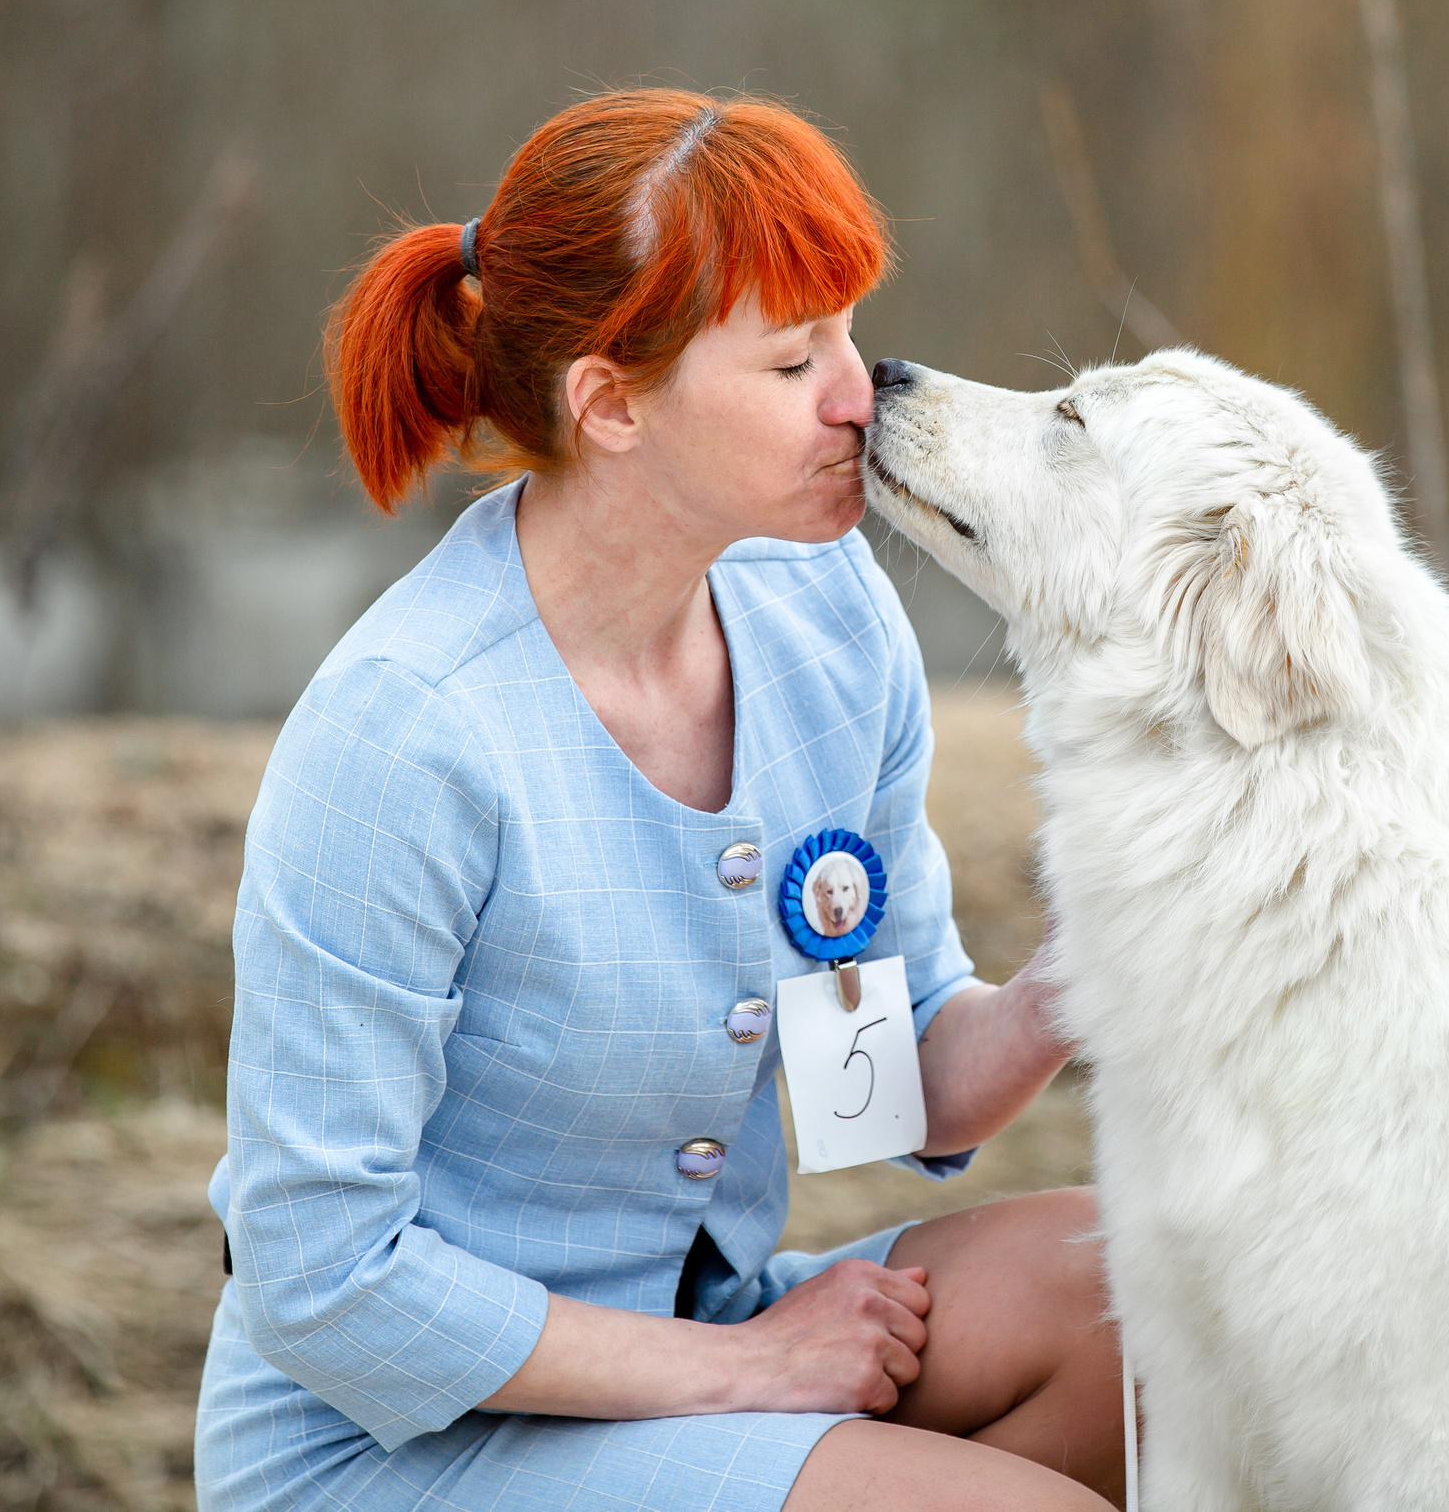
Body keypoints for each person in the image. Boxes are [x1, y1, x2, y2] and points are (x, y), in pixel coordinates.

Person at [193, 89, 1123, 1512]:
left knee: (1147, 1319)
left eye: (849, 334)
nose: (859, 396)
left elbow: (875, 1083)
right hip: (397, 1451)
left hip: (724, 1341)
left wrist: (1087, 970)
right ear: (612, 403)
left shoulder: (824, 618)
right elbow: (324, 1282)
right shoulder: (407, 737)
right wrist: (747, 1375)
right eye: (791, 359)